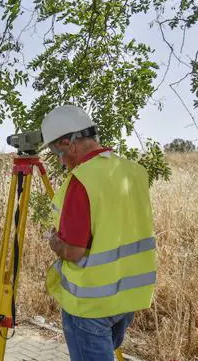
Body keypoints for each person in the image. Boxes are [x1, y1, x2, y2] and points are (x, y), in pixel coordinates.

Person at [40, 105, 156, 361]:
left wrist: (54, 243)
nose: (60, 160)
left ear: (68, 143)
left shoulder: (82, 180)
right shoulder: (134, 172)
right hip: (126, 300)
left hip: (90, 305)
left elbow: (74, 250)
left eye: (57, 152)